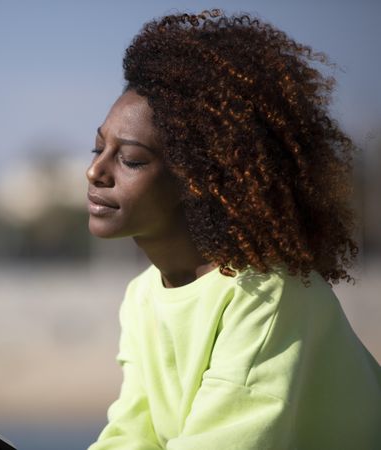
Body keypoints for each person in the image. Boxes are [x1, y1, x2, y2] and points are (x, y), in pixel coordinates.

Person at [86, 9, 380, 450]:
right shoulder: (143, 297)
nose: (94, 171)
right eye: (97, 147)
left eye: (129, 159)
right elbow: (132, 434)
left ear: (200, 177)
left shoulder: (265, 293)